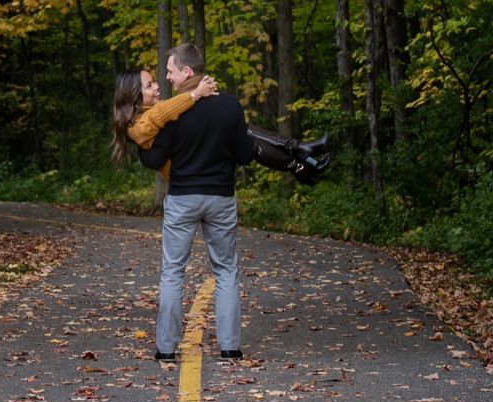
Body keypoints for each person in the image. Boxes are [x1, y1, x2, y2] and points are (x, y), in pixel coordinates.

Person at [131, 43, 260, 365]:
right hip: (221, 197)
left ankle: (166, 349)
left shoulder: (175, 112)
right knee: (226, 270)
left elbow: (155, 159)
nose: (167, 78)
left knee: (173, 272)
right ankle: (230, 348)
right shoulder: (230, 106)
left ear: (187, 71)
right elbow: (245, 155)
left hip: (183, 198)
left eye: (171, 71)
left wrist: (142, 148)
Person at [111, 70, 331, 183]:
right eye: (150, 85)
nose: (158, 86)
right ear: (134, 95)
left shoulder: (149, 113)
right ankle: (298, 157)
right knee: (243, 136)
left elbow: (165, 113)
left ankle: (298, 158)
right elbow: (160, 114)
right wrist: (195, 94)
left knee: (243, 132)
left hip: (195, 161)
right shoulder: (135, 127)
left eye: (155, 82)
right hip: (190, 172)